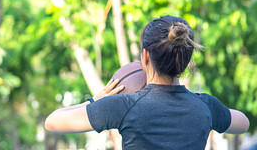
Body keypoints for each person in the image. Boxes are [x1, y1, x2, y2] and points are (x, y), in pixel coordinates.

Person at [45, 15, 250, 149]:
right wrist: (215, 113)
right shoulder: (206, 106)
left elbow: (52, 122)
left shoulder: (122, 107)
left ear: (144, 57)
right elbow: (243, 123)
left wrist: (96, 100)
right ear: (186, 62)